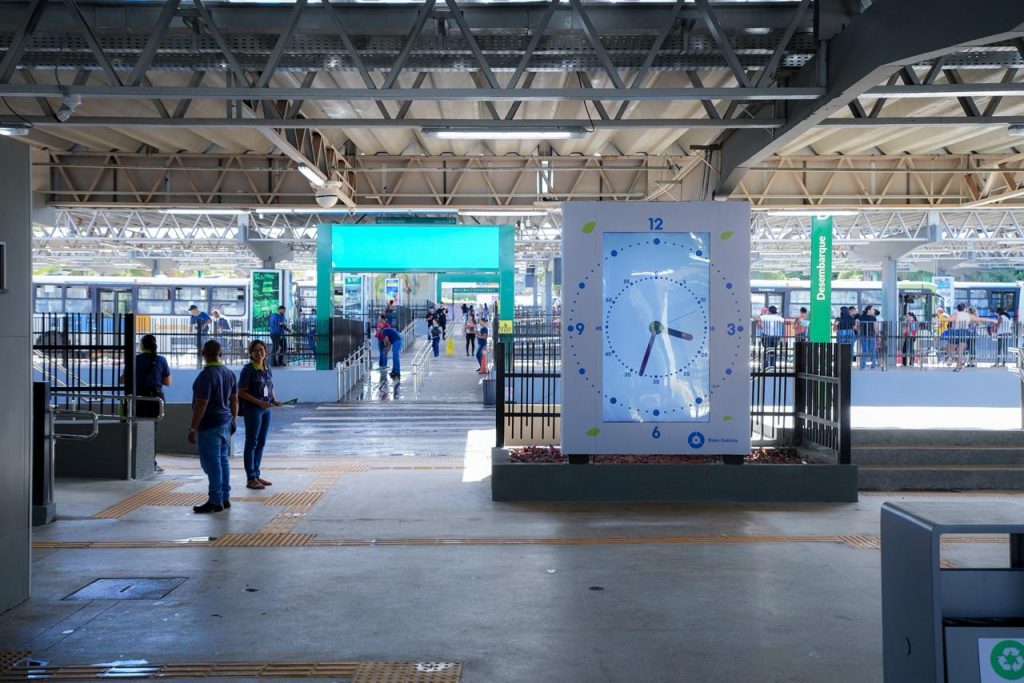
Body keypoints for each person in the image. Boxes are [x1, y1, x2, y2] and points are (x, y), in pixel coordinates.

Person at [188, 340, 238, 514]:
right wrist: (233, 421)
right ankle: (224, 497)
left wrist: (193, 428)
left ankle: (215, 500)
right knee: (223, 461)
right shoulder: (229, 373)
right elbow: (234, 400)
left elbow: (202, 403)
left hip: (209, 425)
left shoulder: (206, 376)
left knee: (212, 464)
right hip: (225, 423)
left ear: (203, 354)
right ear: (221, 354)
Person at [237, 340, 280, 490]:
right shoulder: (248, 370)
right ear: (251, 353)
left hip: (266, 408)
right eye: (255, 350)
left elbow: (270, 386)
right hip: (253, 409)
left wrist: (273, 400)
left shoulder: (267, 367)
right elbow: (241, 392)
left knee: (261, 442)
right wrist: (259, 402)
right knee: (251, 442)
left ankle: (256, 473)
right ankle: (251, 477)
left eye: (261, 350)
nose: (259, 353)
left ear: (265, 352)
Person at [857, 305, 878, 369]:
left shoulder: (861, 317)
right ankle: (873, 365)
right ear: (868, 310)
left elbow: (858, 326)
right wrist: (877, 334)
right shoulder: (873, 318)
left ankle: (863, 365)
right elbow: (875, 327)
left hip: (863, 335)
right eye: (873, 309)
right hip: (871, 335)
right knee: (873, 351)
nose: (874, 310)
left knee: (864, 351)